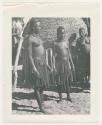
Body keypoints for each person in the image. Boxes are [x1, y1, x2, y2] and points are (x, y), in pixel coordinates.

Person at [27, 18, 51, 113]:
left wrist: (47, 64)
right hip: (36, 65)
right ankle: (41, 107)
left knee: (42, 85)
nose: (40, 27)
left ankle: (42, 104)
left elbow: (42, 52)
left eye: (40, 26)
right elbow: (29, 55)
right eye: (38, 26)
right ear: (33, 27)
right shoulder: (30, 39)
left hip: (42, 64)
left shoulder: (38, 37)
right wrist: (34, 68)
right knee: (37, 86)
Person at [52, 26, 75, 102]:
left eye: (64, 33)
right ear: (57, 34)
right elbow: (53, 56)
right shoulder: (55, 43)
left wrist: (72, 64)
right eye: (61, 33)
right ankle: (60, 97)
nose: (63, 34)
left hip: (66, 64)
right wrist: (54, 66)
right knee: (59, 82)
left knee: (68, 81)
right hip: (59, 64)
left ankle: (68, 96)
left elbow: (69, 54)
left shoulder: (66, 42)